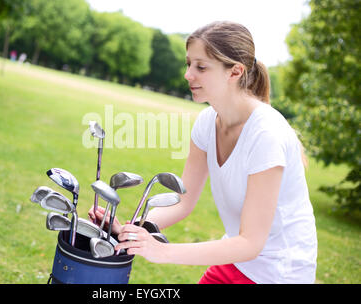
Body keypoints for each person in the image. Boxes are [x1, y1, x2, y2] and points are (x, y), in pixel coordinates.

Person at [89, 21, 317, 284]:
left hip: (278, 273)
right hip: (235, 259)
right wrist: (131, 229)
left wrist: (162, 251)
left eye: (201, 66)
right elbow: (183, 202)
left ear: (234, 72)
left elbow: (251, 243)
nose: (188, 74)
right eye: (188, 64)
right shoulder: (207, 122)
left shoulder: (267, 134)